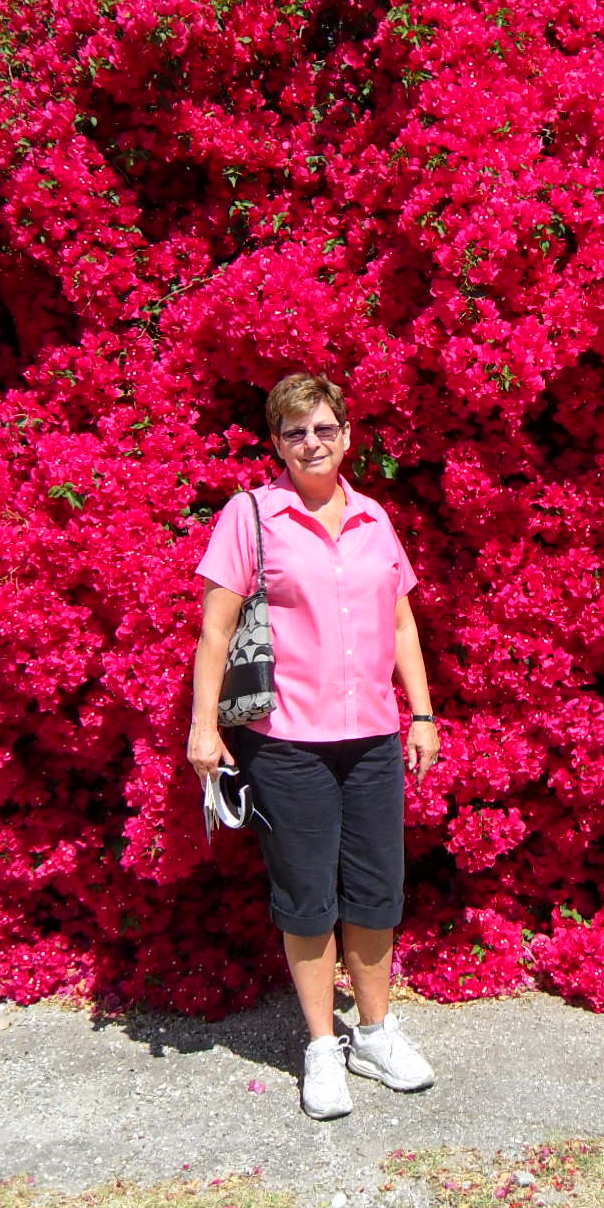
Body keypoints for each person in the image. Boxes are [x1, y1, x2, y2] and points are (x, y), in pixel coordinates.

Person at [187, 372, 440, 1120]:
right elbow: (216, 628)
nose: (312, 442)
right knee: (307, 900)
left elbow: (400, 624)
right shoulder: (252, 516)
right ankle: (323, 1048)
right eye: (295, 432)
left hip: (372, 738)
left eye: (324, 428)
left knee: (375, 893)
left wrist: (421, 715)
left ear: (347, 436)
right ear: (277, 443)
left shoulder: (374, 518)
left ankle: (375, 1032)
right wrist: (205, 726)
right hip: (287, 742)